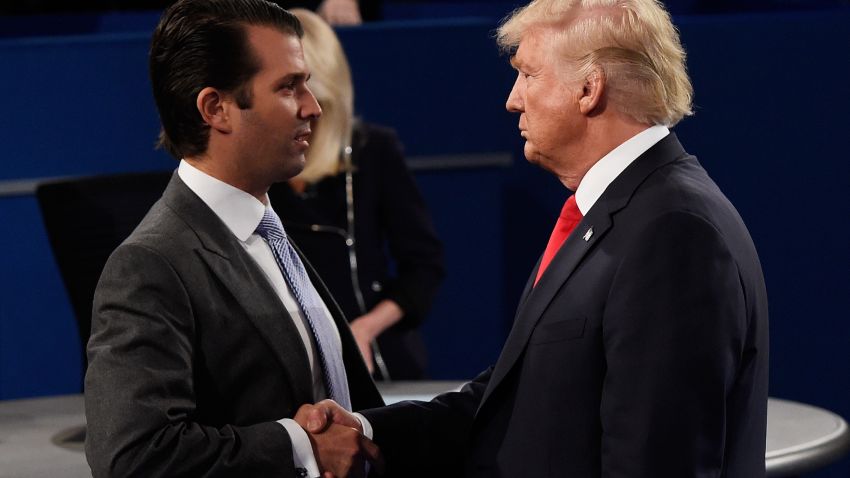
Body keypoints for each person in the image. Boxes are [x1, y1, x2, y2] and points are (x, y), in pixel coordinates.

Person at [299, 0, 770, 476]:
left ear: (589, 89)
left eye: (527, 75)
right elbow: (512, 402)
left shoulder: (673, 233)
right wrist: (366, 431)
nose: (512, 99)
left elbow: (657, 462)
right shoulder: (616, 212)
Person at [83, 1, 384, 477]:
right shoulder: (150, 265)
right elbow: (134, 458)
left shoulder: (269, 231)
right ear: (215, 109)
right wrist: (298, 446)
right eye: (289, 86)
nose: (313, 106)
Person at [268, 8, 444, 381]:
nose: (307, 113)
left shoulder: (373, 151)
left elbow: (424, 265)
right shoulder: (260, 166)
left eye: (314, 100)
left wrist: (363, 329)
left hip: (375, 360)